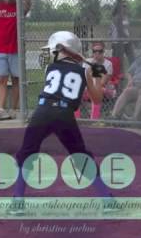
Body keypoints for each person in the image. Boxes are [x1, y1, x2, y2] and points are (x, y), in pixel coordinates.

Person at [9, 31, 114, 215]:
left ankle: (17, 202)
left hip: (42, 112)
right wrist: (97, 77)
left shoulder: (50, 67)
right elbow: (97, 99)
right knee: (81, 156)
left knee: (26, 153)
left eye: (57, 50)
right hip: (64, 115)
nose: (54, 53)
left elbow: (53, 63)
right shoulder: (84, 70)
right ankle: (107, 200)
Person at [75, 41, 115, 119]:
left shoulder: (108, 64)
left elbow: (103, 82)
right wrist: (91, 66)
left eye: (100, 51)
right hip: (87, 87)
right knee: (75, 93)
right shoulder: (87, 62)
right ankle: (77, 119)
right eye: (95, 51)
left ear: (103, 52)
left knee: (97, 92)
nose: (97, 53)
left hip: (102, 88)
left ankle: (94, 119)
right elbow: (83, 78)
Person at [109, 0, 135, 67]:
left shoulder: (126, 17)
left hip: (127, 41)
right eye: (123, 6)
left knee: (132, 59)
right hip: (118, 42)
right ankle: (119, 73)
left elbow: (128, 29)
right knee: (118, 61)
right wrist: (129, 38)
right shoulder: (116, 17)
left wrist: (130, 38)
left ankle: (133, 72)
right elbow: (120, 31)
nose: (124, 8)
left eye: (125, 6)